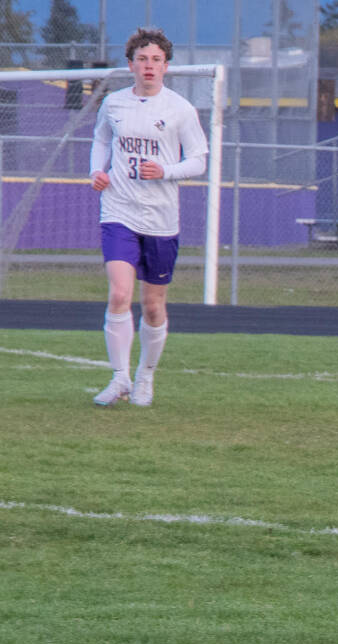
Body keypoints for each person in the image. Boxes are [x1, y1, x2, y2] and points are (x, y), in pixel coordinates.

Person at [89, 27, 208, 407]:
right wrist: (98, 171)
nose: (149, 66)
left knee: (153, 305)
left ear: (166, 66)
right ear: (131, 65)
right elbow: (102, 139)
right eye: (142, 59)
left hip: (160, 218)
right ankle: (119, 377)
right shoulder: (114, 103)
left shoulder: (180, 109)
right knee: (119, 293)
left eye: (156, 60)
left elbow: (199, 161)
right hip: (119, 210)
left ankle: (145, 377)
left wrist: (166, 171)